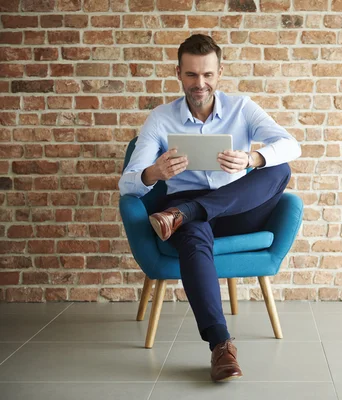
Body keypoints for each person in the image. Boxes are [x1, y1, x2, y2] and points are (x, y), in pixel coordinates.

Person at [118, 34, 301, 382]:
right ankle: (220, 345)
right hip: (182, 214)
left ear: (219, 74)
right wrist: (154, 172)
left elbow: (291, 145)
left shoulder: (242, 108)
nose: (199, 84)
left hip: (235, 208)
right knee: (192, 236)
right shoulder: (160, 119)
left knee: (280, 168)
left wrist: (253, 158)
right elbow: (127, 182)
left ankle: (189, 211)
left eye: (207, 75)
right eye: (191, 75)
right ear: (178, 73)